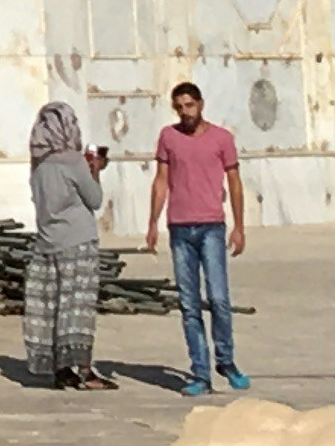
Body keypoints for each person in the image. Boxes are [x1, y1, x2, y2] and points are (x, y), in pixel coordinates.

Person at [140, 78, 249, 393]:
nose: (185, 112)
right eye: (179, 107)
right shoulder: (168, 138)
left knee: (218, 298)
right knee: (189, 303)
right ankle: (200, 371)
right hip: (180, 227)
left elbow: (235, 183)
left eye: (189, 105)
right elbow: (161, 181)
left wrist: (239, 227)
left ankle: (225, 359)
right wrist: (152, 223)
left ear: (200, 104)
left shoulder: (222, 139)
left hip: (212, 226)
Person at [24, 101, 117, 389]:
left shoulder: (38, 167)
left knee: (53, 307)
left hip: (47, 243)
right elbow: (95, 199)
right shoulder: (73, 161)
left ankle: (61, 370)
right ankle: (85, 371)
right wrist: (95, 171)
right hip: (78, 242)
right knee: (78, 308)